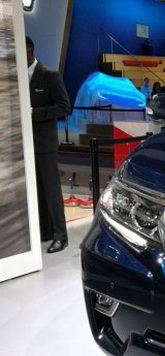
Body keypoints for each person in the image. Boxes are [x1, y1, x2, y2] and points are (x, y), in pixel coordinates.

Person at [26, 36, 71, 253]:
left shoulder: (50, 75)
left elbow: (64, 106)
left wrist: (35, 113)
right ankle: (45, 231)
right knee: (36, 190)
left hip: (45, 143)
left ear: (28, 51)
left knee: (52, 190)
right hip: (24, 144)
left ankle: (61, 236)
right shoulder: (15, 78)